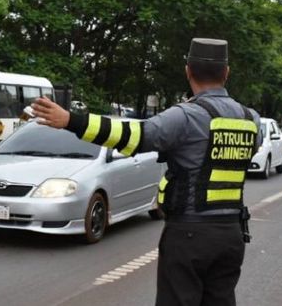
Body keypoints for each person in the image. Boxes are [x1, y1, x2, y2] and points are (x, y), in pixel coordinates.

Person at [31, 38, 261, 306]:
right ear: (227, 73)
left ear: (188, 71)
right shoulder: (250, 119)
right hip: (231, 235)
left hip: (190, 234)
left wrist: (72, 121)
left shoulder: (186, 116)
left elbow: (133, 136)